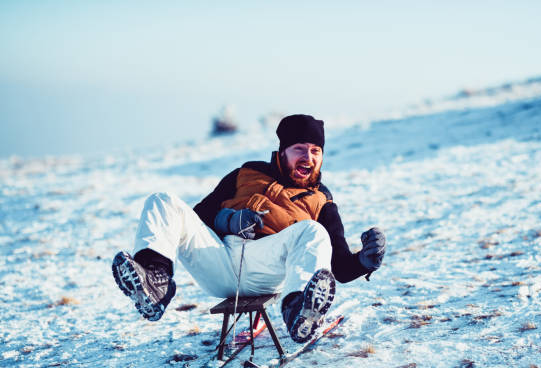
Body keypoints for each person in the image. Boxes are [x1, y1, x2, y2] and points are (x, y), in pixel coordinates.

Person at [111, 114, 386, 343]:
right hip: (217, 263)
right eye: (300, 149)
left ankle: (298, 310)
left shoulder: (322, 200)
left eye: (315, 151)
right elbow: (198, 217)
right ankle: (155, 281)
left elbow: (338, 266)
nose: (308, 157)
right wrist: (228, 220)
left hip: (264, 269)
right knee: (163, 201)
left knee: (313, 232)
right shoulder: (246, 173)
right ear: (283, 152)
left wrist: (365, 260)